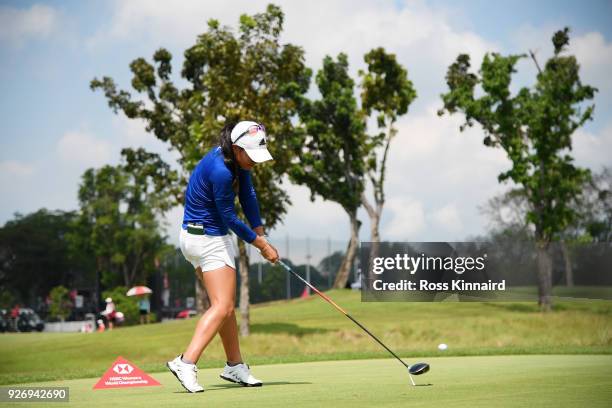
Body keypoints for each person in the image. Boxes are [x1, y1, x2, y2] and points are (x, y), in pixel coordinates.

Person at [167, 121, 279, 393]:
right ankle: (186, 361)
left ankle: (234, 365)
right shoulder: (221, 171)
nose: (255, 161)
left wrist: (260, 233)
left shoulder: (234, 158)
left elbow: (249, 195)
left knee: (223, 304)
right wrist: (260, 245)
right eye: (251, 155)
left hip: (193, 238)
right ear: (238, 148)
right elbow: (229, 217)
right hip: (210, 239)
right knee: (224, 307)